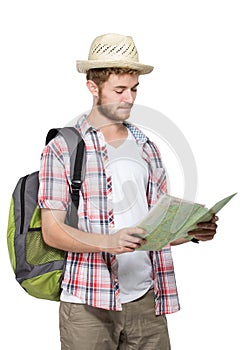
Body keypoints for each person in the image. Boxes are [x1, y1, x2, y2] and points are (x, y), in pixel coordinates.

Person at [38, 33, 218, 350]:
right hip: (88, 303)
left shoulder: (147, 147)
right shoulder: (62, 147)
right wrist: (109, 242)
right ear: (93, 87)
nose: (129, 99)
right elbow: (52, 232)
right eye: (119, 90)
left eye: (134, 89)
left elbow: (155, 230)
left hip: (146, 302)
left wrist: (190, 231)